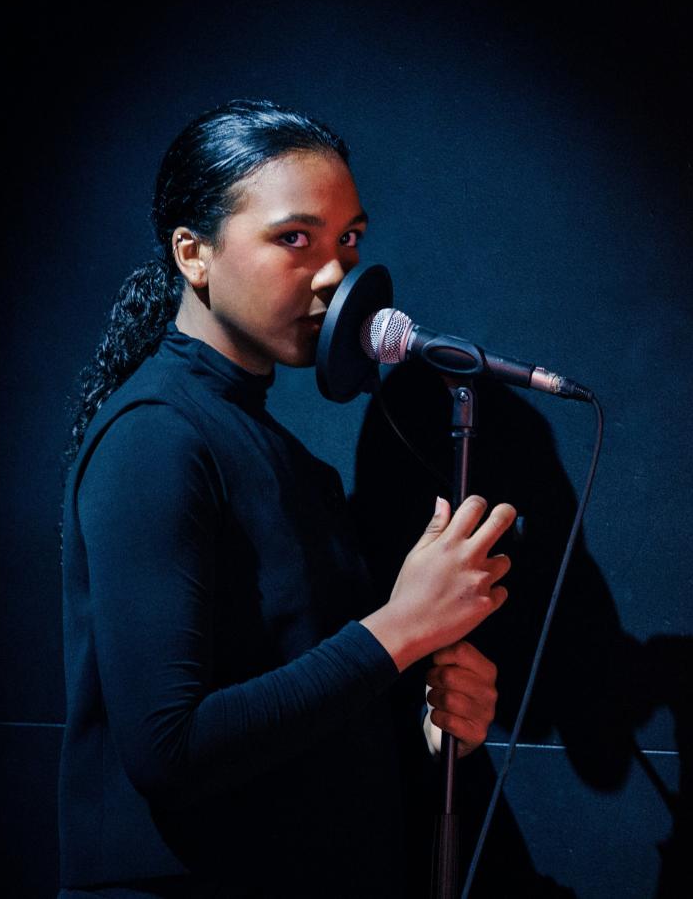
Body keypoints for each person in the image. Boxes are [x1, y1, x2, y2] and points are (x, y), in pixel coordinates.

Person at [58, 100, 515, 898]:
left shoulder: (296, 467)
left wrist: (434, 729)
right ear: (193, 255)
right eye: (294, 238)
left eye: (349, 240)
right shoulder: (153, 438)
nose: (335, 271)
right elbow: (169, 753)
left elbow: (302, 723)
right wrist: (401, 629)